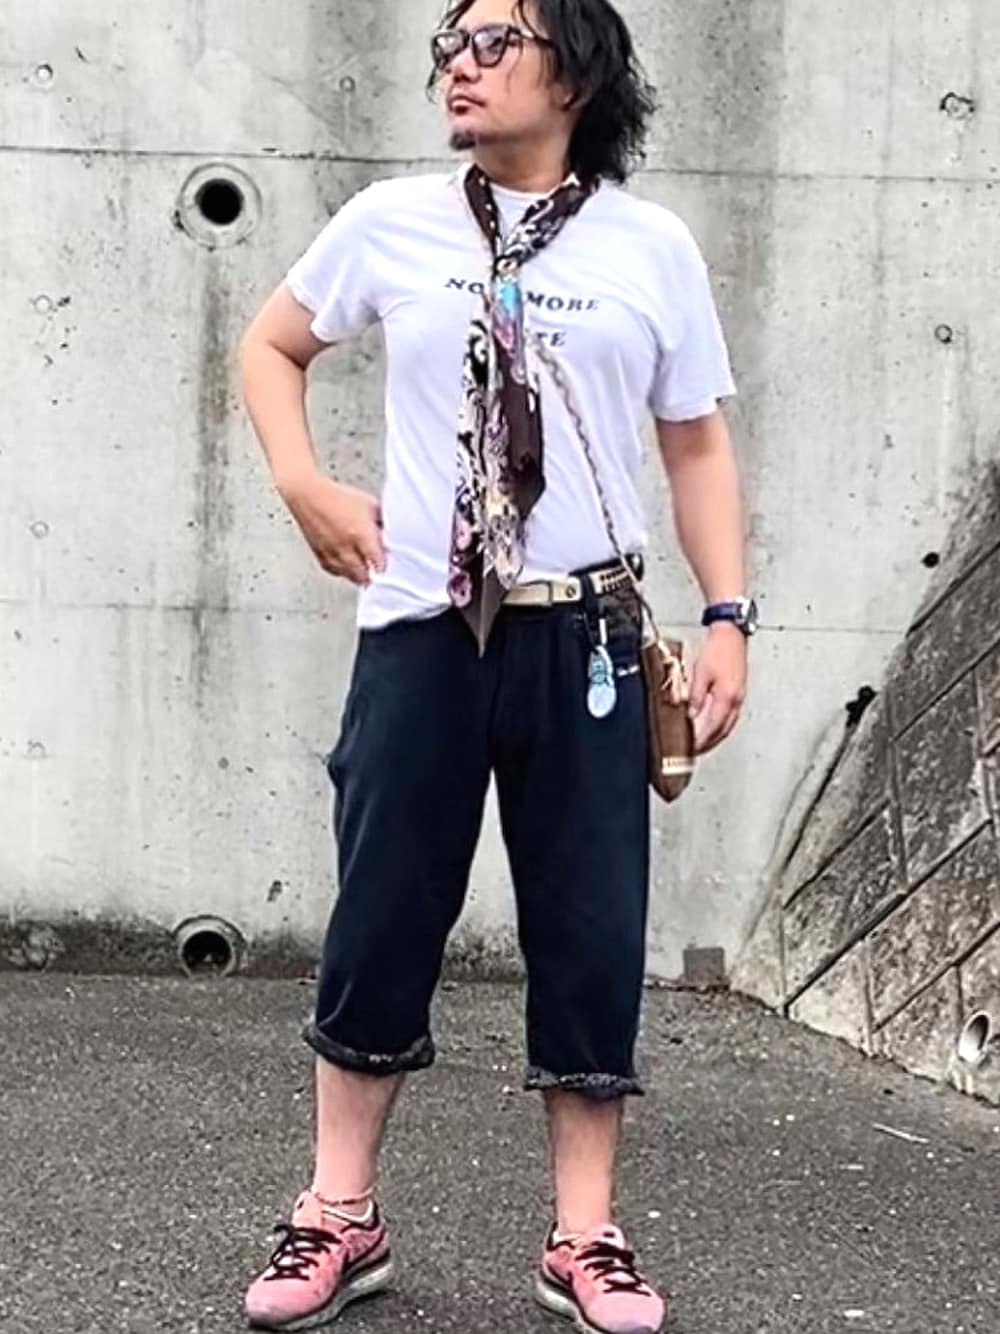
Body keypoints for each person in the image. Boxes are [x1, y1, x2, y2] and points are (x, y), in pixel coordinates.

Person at [240, 0, 751, 1330]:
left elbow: (695, 441)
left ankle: (585, 1236)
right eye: (449, 45)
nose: (459, 66)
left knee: (590, 922)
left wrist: (729, 614)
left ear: (574, 72)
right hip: (423, 623)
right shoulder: (390, 222)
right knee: (382, 911)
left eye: (493, 43)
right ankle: (339, 1214)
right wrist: (304, 483)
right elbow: (271, 344)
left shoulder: (650, 247)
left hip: (583, 634)